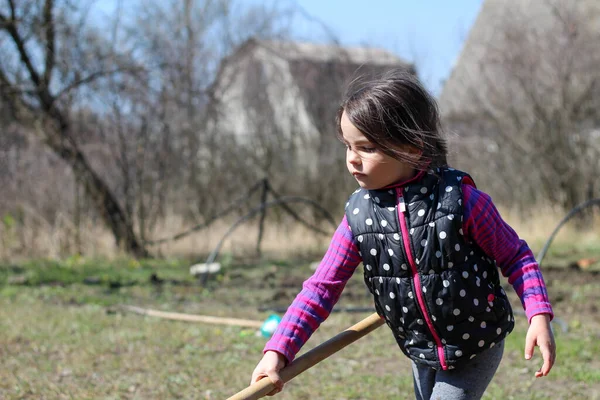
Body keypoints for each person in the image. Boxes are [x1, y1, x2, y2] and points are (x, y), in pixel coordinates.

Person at [250, 70, 556, 400]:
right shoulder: (358, 217)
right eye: (348, 146)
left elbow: (517, 256)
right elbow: (321, 288)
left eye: (366, 148)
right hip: (420, 347)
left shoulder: (461, 202)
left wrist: (538, 313)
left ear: (411, 147)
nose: (352, 159)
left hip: (475, 342)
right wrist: (277, 352)